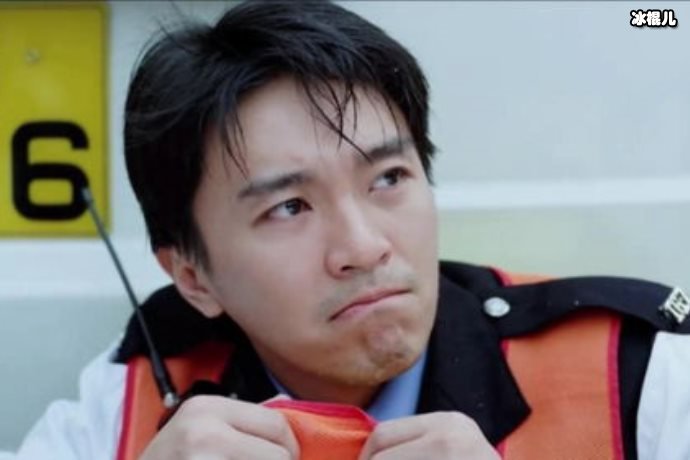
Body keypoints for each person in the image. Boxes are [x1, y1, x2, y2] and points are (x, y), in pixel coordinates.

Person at [9, 1, 690, 459]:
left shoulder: (636, 373)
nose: (364, 247)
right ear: (193, 277)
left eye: (388, 178)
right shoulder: (124, 404)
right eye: (289, 208)